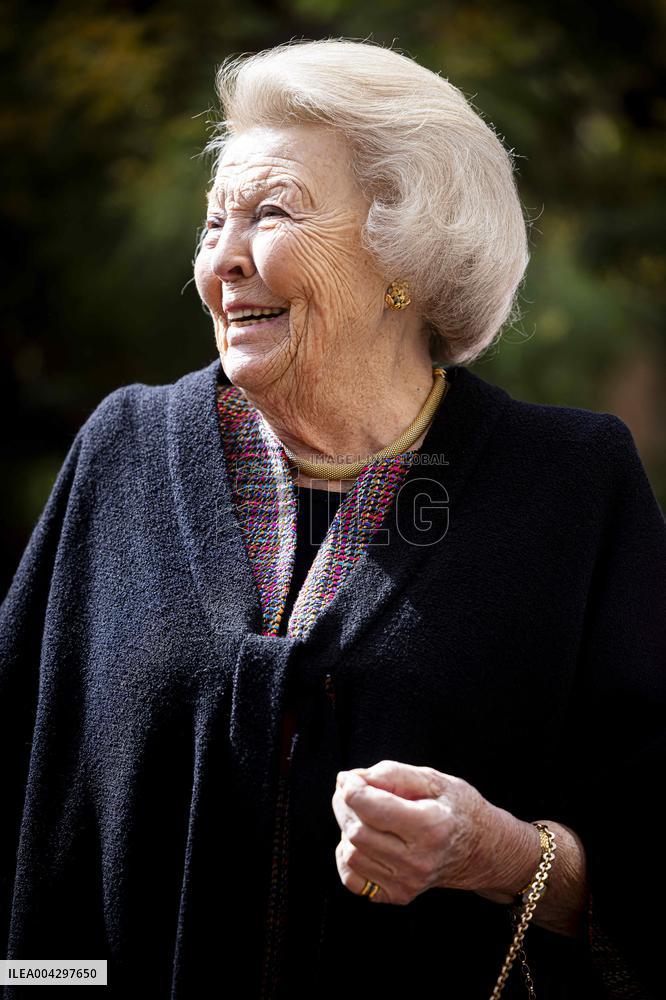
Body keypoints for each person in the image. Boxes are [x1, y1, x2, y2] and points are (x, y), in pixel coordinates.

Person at [1, 38, 664, 1000]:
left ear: (405, 255)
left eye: (271, 213)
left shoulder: (570, 487)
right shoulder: (125, 453)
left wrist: (501, 856)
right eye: (213, 221)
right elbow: (27, 819)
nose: (223, 260)